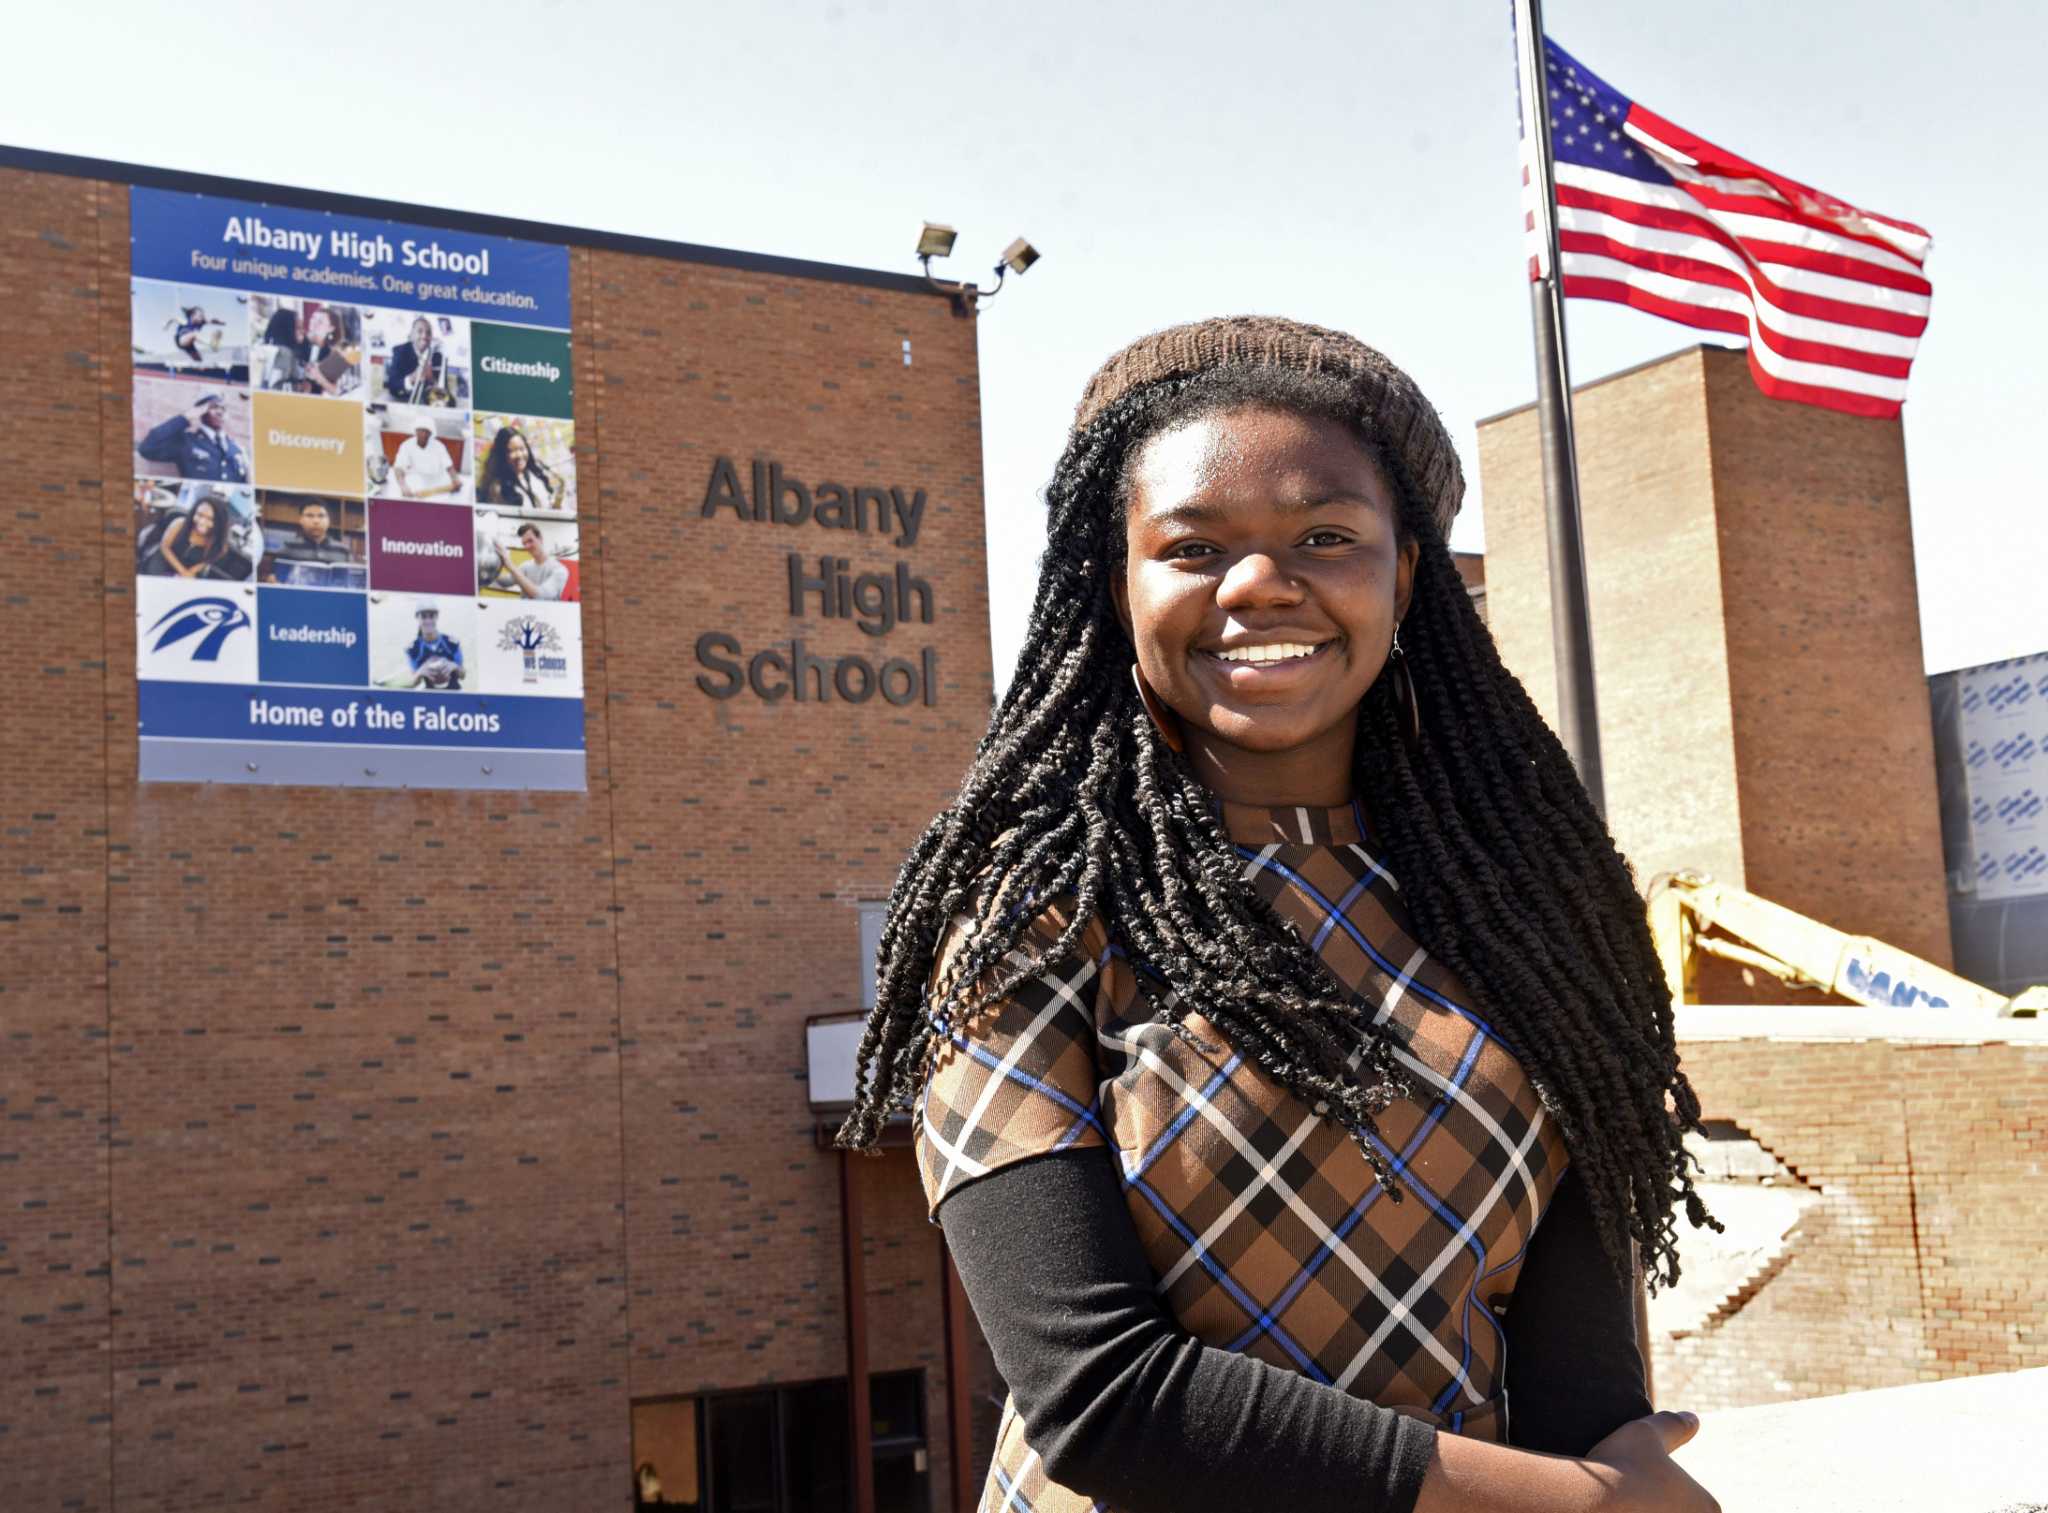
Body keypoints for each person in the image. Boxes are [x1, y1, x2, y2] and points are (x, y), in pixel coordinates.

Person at [837, 317, 1721, 1513]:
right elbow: (1096, 1395)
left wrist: (1595, 1476)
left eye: (1324, 535)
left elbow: (1572, 1371)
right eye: (1194, 546)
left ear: (1403, 574)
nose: (1259, 584)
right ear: (1118, 588)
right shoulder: (1029, 913)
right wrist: (1574, 1504)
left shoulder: (1523, 906)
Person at [137, 392, 249, 482]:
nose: (220, 412)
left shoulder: (236, 449)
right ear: (200, 412)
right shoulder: (186, 442)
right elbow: (146, 449)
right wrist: (185, 418)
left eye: (223, 408)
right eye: (213, 407)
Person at [478, 425, 565, 512]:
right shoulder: (498, 488)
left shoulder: (534, 475)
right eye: (511, 451)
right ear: (501, 455)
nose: (519, 455)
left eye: (522, 448)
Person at [146, 492, 234, 578]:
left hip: (189, 567)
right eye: (199, 515)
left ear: (219, 522)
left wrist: (189, 573)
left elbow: (206, 562)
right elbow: (164, 547)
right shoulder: (179, 523)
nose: (202, 522)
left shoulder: (219, 543)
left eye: (210, 519)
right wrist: (182, 572)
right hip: (166, 558)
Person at [262, 498, 352, 582]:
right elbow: (277, 580)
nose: (316, 521)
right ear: (301, 520)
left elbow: (349, 583)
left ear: (328, 520)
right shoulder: (288, 548)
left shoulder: (343, 551)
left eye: (321, 516)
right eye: (310, 516)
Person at [391, 604, 463, 690]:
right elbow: (413, 683)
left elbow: (462, 675)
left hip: (454, 692)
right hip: (430, 694)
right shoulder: (413, 649)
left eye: (432, 616)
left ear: (437, 617)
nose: (428, 621)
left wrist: (454, 666)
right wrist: (421, 671)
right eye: (424, 617)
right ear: (417, 618)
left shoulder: (451, 642)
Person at [392, 413, 460, 499]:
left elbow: (449, 466)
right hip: (416, 480)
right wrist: (403, 486)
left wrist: (455, 478)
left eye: (427, 431)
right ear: (415, 431)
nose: (424, 434)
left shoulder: (439, 446)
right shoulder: (406, 445)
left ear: (431, 433)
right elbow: (398, 467)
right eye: (421, 430)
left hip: (437, 481)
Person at [498, 522, 568, 601]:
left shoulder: (559, 570)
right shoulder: (525, 566)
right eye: (524, 543)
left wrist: (510, 565)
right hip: (525, 611)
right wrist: (491, 567)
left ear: (540, 539)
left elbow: (540, 595)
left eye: (530, 541)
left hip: (547, 612)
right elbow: (505, 582)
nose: (527, 546)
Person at [383, 316, 444, 404]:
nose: (424, 336)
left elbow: (445, 394)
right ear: (411, 335)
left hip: (426, 406)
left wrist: (432, 380)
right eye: (420, 331)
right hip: (402, 402)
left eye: (428, 333)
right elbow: (392, 384)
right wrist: (412, 378)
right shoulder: (400, 351)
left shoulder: (438, 357)